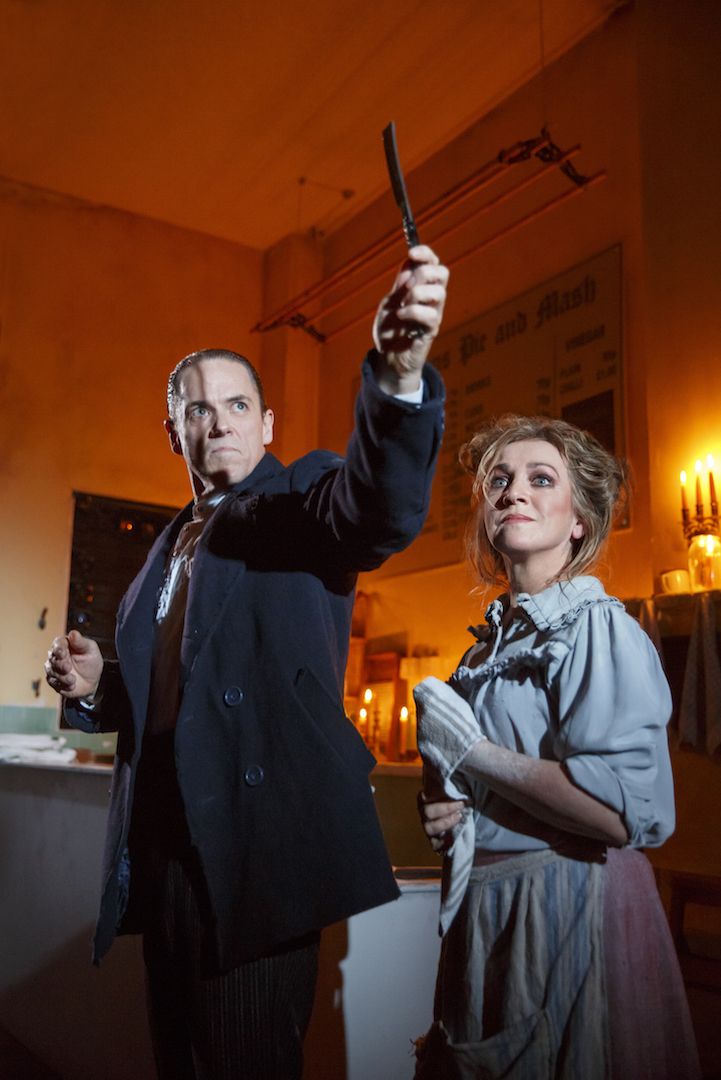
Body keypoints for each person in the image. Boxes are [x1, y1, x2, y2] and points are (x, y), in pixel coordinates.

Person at [45, 245, 449, 1080]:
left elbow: (376, 508)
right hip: (163, 852)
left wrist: (396, 380)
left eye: (237, 405)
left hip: (251, 855)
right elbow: (182, 696)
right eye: (199, 410)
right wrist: (98, 687)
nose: (219, 421)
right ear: (174, 433)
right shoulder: (162, 552)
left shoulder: (301, 500)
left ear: (266, 425)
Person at [413, 415, 701, 1080]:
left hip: (562, 909)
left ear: (578, 521)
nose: (512, 492)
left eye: (541, 479)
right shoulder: (484, 647)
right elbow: (473, 785)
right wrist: (445, 805)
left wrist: (474, 752)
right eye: (498, 481)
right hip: (489, 915)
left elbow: (621, 816)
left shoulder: (595, 628)